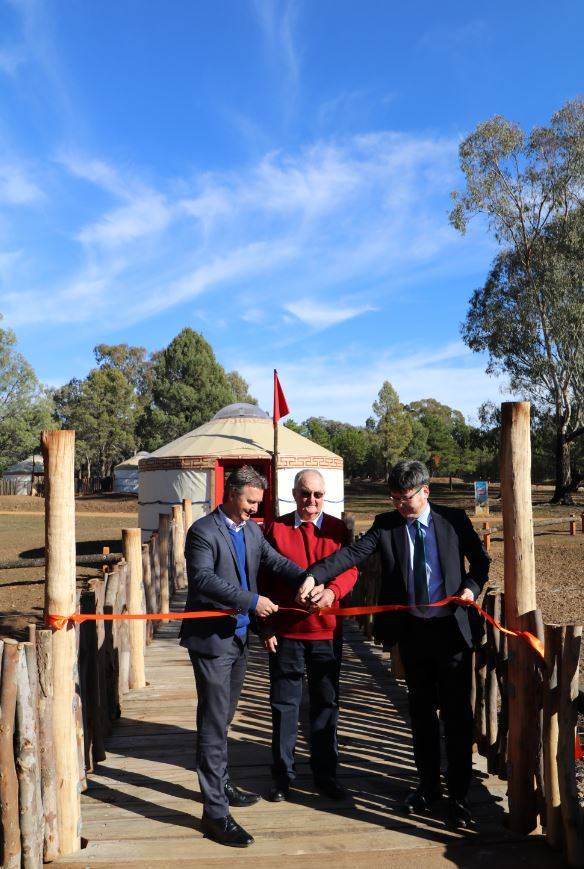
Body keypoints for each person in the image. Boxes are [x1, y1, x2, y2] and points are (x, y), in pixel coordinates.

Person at [299, 460, 490, 828]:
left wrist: (471, 587)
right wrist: (314, 575)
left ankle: (460, 796)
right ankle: (428, 786)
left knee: (456, 716)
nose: (401, 505)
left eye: (407, 498)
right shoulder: (387, 525)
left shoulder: (454, 520)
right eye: (395, 498)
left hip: (452, 633)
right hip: (413, 634)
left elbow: (480, 561)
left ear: (425, 492)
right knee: (420, 714)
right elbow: (350, 555)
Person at [180, 465, 305, 848]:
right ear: (232, 492)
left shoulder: (251, 531)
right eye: (250, 501)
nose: (255, 508)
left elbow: (273, 562)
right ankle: (215, 814)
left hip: (238, 641)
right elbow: (203, 580)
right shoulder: (203, 531)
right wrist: (253, 601)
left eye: (259, 502)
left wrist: (307, 578)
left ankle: (221, 784)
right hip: (212, 643)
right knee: (214, 725)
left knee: (224, 719)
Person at [259, 469, 358, 802]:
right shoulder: (275, 529)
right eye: (305, 494)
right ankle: (283, 776)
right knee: (284, 706)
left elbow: (351, 569)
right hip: (287, 633)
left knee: (325, 705)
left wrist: (331, 592)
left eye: (317, 495)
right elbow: (262, 579)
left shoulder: (337, 529)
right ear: (294, 493)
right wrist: (266, 626)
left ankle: (325, 774)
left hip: (326, 633)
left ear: (324, 495)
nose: (311, 502)